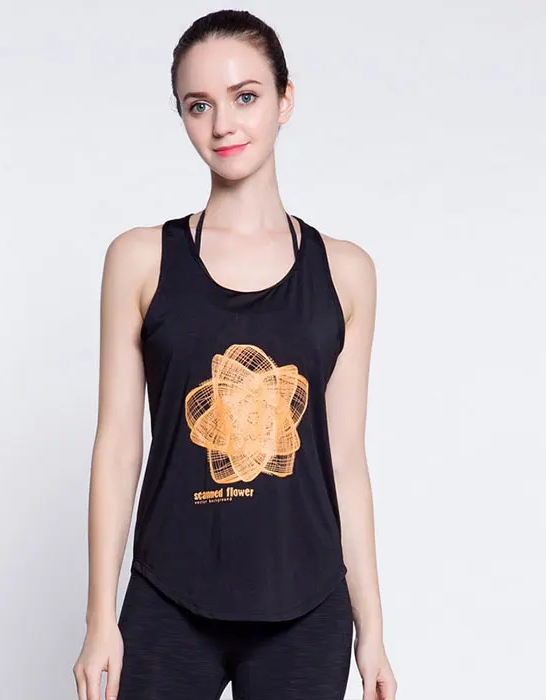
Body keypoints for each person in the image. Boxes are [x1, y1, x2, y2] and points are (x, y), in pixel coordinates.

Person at [73, 9, 397, 700]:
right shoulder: (139, 260)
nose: (223, 124)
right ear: (182, 116)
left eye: (245, 96)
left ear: (284, 100)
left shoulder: (346, 272)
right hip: (168, 595)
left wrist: (371, 629)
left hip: (307, 606)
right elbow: (118, 448)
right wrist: (100, 617)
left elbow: (345, 462)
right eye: (199, 105)